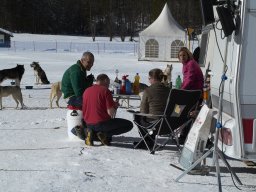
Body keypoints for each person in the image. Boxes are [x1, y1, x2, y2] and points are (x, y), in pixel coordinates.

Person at [82, 74, 133, 146]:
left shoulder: (87, 90)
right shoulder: (105, 90)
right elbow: (110, 113)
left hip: (88, 124)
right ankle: (103, 134)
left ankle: (91, 133)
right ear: (105, 80)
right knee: (129, 125)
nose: (108, 85)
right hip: (101, 123)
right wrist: (115, 106)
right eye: (108, 83)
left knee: (107, 134)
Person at [134, 68, 170, 149]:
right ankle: (149, 141)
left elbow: (143, 111)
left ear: (153, 79)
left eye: (149, 78)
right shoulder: (169, 90)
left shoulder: (148, 91)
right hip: (168, 124)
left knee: (137, 117)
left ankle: (147, 141)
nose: (149, 80)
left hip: (154, 123)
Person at [178, 47, 204, 143]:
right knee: (181, 110)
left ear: (188, 55)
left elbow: (190, 79)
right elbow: (186, 80)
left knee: (183, 111)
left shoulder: (191, 64)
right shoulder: (186, 64)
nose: (182, 57)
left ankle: (184, 135)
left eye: (184, 55)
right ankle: (182, 133)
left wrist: (181, 91)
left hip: (194, 94)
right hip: (190, 93)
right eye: (180, 55)